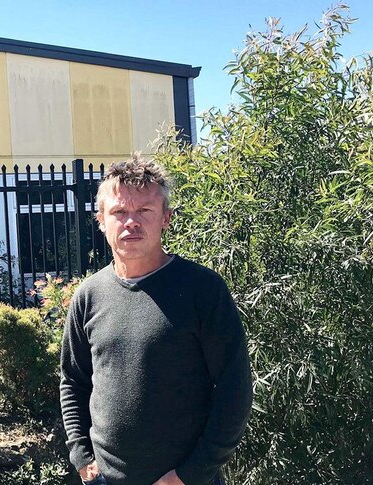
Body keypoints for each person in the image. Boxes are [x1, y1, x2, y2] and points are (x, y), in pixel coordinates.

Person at [60, 157, 252, 485]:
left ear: (165, 218)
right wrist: (81, 457)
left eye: (144, 211)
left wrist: (193, 473)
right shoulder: (89, 296)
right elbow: (73, 381)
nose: (131, 222)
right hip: (104, 479)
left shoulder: (202, 290)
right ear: (101, 221)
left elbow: (234, 389)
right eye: (119, 212)